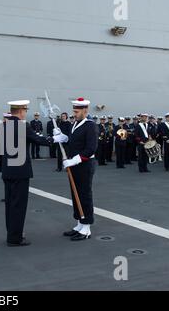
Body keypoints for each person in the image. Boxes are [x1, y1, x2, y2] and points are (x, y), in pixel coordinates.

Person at [0, 100, 68, 246]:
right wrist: (55, 138)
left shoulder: (2, 127)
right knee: (19, 206)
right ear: (21, 111)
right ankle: (15, 238)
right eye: (25, 111)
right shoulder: (23, 126)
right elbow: (38, 139)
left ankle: (12, 232)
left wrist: (2, 168)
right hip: (21, 172)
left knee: (10, 205)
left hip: (8, 172)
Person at [62, 97, 98, 241]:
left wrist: (73, 161)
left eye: (77, 111)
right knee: (75, 193)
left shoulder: (90, 125)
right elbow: (73, 140)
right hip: (75, 166)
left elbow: (90, 149)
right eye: (73, 111)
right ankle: (79, 223)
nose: (74, 114)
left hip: (84, 165)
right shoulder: (75, 124)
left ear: (85, 110)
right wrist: (62, 138)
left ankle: (86, 227)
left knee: (84, 194)